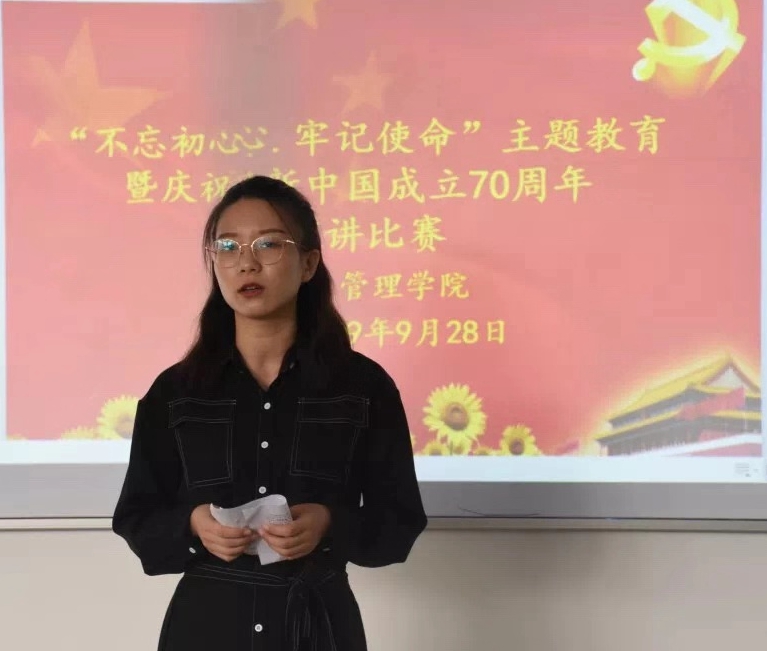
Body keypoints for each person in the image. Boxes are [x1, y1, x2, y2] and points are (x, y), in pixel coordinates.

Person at [112, 175, 427, 650]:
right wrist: (194, 525)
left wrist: (329, 523)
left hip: (318, 626)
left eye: (269, 244)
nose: (246, 262)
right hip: (206, 628)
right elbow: (136, 516)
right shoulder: (175, 393)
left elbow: (400, 522)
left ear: (309, 264)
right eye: (228, 246)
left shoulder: (363, 387)